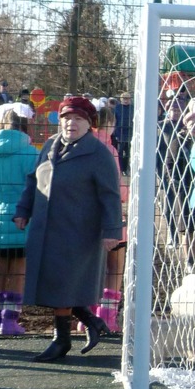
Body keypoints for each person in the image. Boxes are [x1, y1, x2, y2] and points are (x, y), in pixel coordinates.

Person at [14, 96, 123, 362]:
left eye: (78, 119)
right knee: (54, 283)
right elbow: (33, 180)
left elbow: (110, 195)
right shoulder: (50, 145)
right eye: (66, 118)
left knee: (62, 284)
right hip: (45, 229)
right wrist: (23, 210)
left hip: (78, 232)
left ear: (89, 124)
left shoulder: (99, 154)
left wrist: (112, 231)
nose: (71, 123)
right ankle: (91, 322)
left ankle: (61, 340)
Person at [0, 110, 39, 335]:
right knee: (17, 269)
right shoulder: (30, 153)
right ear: (25, 125)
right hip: (22, 217)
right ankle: (9, 320)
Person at [88, 106, 129, 332]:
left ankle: (85, 316)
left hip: (85, 218)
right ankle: (107, 317)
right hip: (110, 217)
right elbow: (115, 186)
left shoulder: (82, 146)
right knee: (115, 268)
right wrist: (129, 191)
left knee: (92, 269)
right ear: (110, 123)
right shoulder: (108, 149)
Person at [113, 92, 134, 176]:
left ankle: (126, 169)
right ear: (121, 99)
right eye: (124, 98)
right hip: (120, 133)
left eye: (127, 98)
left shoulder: (133, 108)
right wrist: (115, 133)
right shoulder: (117, 108)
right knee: (120, 153)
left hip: (130, 133)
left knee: (128, 153)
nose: (126, 100)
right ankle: (120, 169)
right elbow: (114, 121)